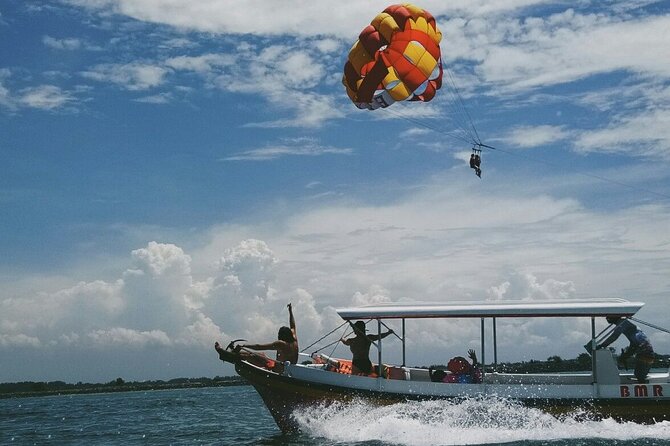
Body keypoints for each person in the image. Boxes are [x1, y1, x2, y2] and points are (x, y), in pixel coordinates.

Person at [217, 303, 298, 371]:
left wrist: (244, 346)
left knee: (250, 356)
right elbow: (293, 325)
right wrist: (290, 311)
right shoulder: (294, 340)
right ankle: (230, 353)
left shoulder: (281, 344)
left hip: (278, 369)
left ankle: (225, 355)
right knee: (261, 355)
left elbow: (259, 347)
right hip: (287, 368)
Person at [597, 316, 654, 382]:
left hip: (645, 352)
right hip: (644, 351)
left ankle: (643, 386)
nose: (606, 318)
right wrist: (625, 355)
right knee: (639, 374)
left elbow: (614, 336)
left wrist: (602, 345)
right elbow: (634, 344)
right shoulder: (626, 324)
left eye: (608, 317)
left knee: (639, 375)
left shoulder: (622, 323)